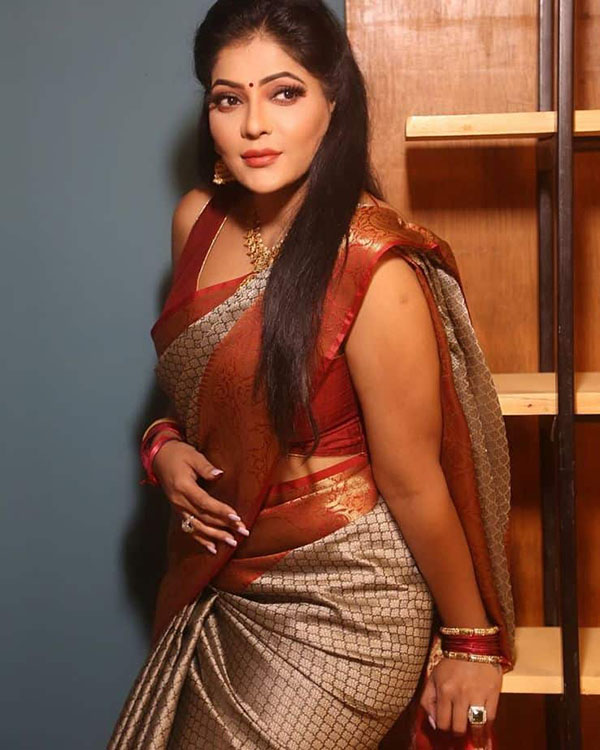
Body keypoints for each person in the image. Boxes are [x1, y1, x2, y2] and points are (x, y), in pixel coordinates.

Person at [108, 1, 516, 748]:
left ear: (334, 101)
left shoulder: (373, 266)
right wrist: (163, 447)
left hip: (348, 601)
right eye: (228, 99)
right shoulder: (196, 221)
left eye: (284, 92)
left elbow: (413, 479)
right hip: (223, 576)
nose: (254, 124)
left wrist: (471, 641)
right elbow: (205, 394)